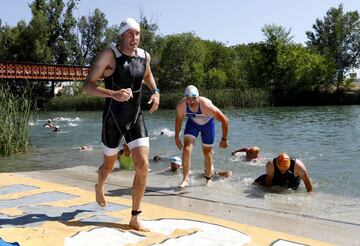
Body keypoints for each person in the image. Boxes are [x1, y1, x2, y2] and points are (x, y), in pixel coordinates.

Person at [82, 17, 160, 231]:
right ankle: (100, 184)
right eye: (129, 34)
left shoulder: (145, 56)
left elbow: (148, 74)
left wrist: (156, 92)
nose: (134, 38)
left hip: (136, 116)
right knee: (109, 165)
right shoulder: (109, 55)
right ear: (121, 35)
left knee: (143, 165)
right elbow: (87, 86)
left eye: (137, 34)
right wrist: (113, 94)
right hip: (113, 118)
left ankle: (135, 217)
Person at [175, 85, 229, 188]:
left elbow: (225, 120)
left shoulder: (206, 105)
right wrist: (176, 137)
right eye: (188, 99)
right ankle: (185, 179)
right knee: (186, 149)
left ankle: (208, 179)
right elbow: (179, 120)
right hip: (193, 124)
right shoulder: (181, 106)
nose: (191, 102)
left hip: (208, 126)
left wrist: (224, 139)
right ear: (185, 98)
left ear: (198, 97)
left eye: (194, 98)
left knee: (207, 153)